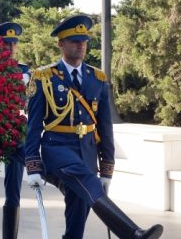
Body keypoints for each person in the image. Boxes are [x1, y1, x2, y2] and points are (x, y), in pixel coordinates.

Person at [25, 15, 163, 239]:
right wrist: (33, 165)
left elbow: (105, 128)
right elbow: (33, 126)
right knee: (88, 182)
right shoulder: (44, 78)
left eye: (83, 41)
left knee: (78, 211)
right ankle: (131, 233)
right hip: (57, 148)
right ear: (61, 44)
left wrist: (107, 166)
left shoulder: (96, 78)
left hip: (87, 151)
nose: (81, 46)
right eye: (74, 41)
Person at [0, 22, 31, 239]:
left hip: (17, 127)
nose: (10, 47)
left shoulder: (24, 70)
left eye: (13, 43)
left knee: (13, 188)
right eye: (6, 43)